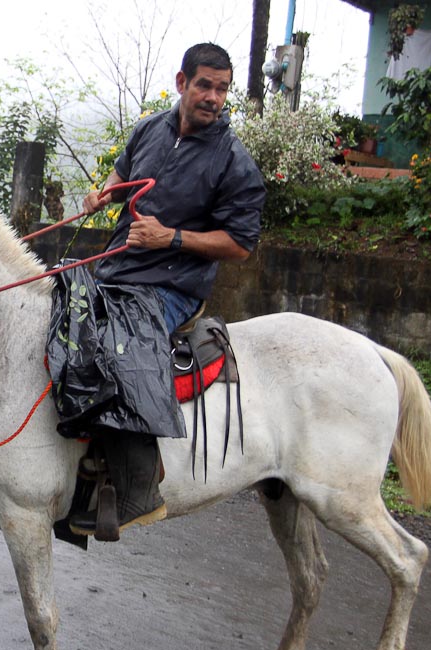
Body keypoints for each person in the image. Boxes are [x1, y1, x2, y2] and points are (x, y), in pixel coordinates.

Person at [67, 42, 266, 539]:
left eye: (222, 89)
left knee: (122, 343)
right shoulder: (149, 129)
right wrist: (101, 194)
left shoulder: (234, 162)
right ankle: (74, 459)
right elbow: (122, 175)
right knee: (60, 309)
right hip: (119, 265)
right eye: (205, 85)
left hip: (173, 284)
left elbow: (240, 245)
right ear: (182, 83)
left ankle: (139, 488)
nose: (214, 97)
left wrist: (170, 238)